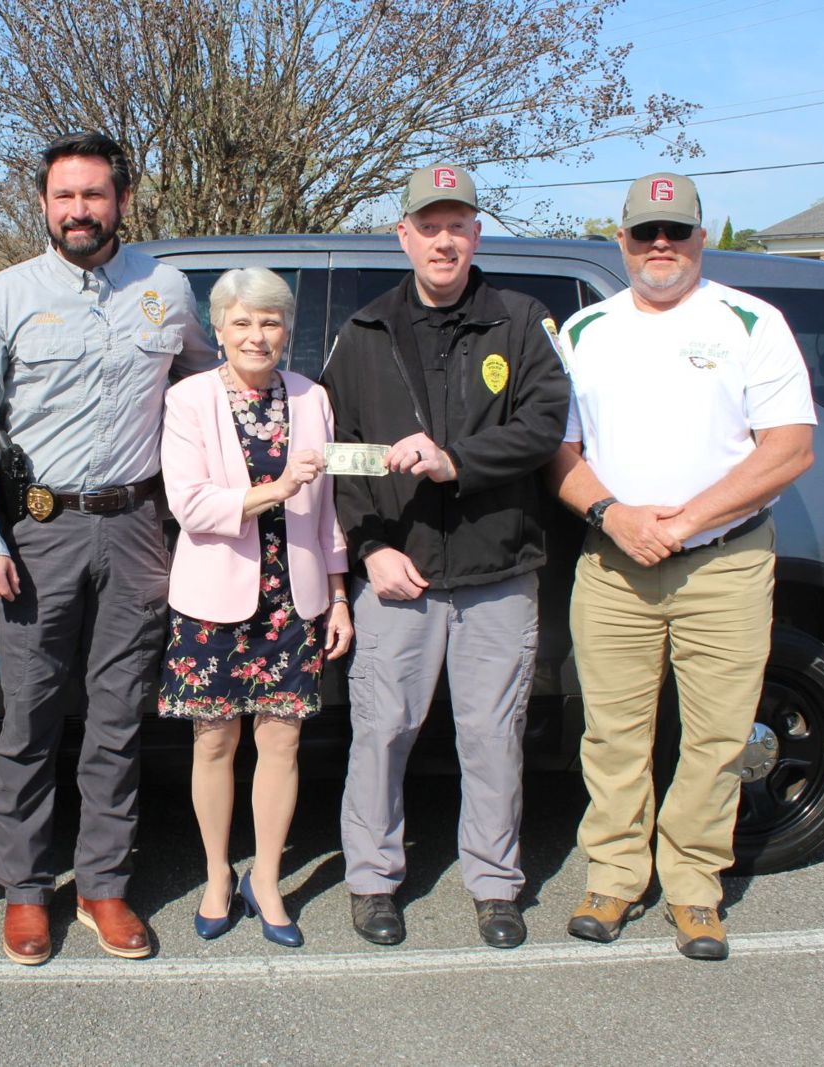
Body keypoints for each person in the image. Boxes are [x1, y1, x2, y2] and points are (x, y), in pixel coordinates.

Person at [0, 130, 217, 965]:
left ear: (122, 201)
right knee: (27, 720)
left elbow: (202, 398)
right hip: (36, 531)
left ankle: (102, 885)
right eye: (65, 196)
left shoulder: (167, 290)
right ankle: (26, 894)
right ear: (44, 204)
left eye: (94, 195)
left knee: (116, 719)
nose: (79, 211)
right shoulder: (2, 295)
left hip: (137, 528)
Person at [548, 173, 815, 961]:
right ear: (622, 241)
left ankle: (696, 885)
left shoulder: (751, 322)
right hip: (613, 561)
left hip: (722, 564)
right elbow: (558, 448)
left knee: (719, 735)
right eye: (643, 232)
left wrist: (686, 521)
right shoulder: (586, 331)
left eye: (676, 231)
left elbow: (790, 446)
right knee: (613, 731)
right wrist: (614, 516)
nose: (659, 245)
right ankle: (615, 872)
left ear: (703, 238)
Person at [322, 163, 569, 950]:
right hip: (400, 573)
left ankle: (495, 884)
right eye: (428, 224)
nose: (443, 238)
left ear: (476, 234)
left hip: (497, 569)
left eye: (457, 223)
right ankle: (373, 878)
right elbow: (340, 458)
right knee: (383, 728)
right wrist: (369, 551)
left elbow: (543, 425)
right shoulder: (363, 333)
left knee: (492, 734)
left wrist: (456, 458)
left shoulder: (521, 322)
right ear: (404, 235)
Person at [158, 268, 353, 949]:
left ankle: (265, 878)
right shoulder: (188, 400)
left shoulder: (311, 398)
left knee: (282, 740)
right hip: (213, 600)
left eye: (269, 322)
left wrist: (336, 595)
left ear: (287, 330)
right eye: (241, 322)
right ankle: (217, 872)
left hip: (291, 600)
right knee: (214, 740)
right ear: (217, 329)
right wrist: (273, 488)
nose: (256, 335)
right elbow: (191, 505)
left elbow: (327, 511)